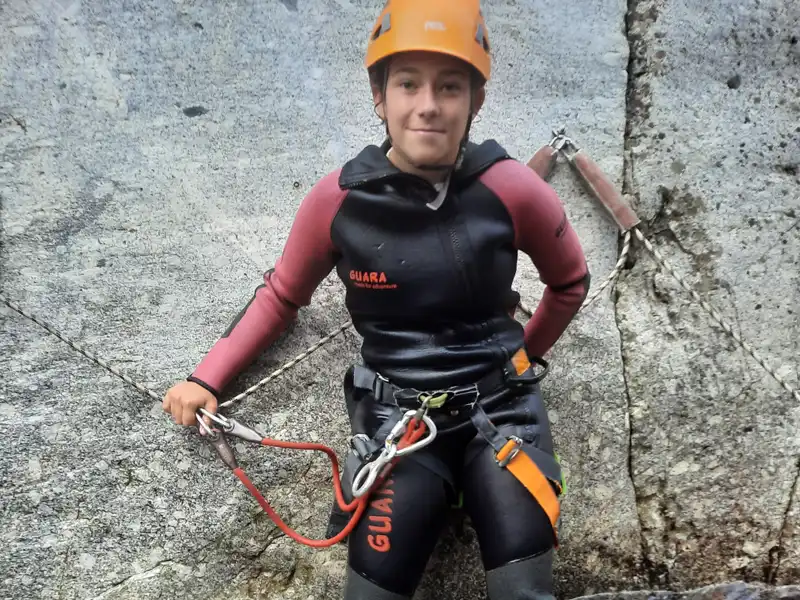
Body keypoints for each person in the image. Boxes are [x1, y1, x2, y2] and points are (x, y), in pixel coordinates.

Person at [162, 1, 590, 598]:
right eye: (407, 83)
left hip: (505, 418)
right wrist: (207, 378)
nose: (428, 106)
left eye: (450, 86)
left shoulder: (511, 188)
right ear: (378, 96)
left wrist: (520, 362)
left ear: (476, 101)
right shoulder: (337, 204)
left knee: (524, 592)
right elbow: (283, 295)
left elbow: (569, 282)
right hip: (401, 425)